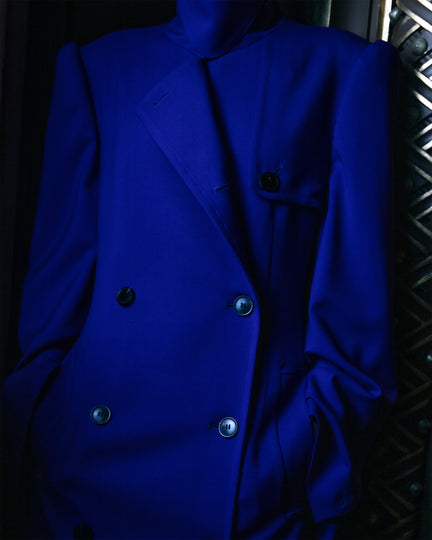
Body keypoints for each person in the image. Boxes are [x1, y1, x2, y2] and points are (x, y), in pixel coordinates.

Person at [1, 0, 401, 538]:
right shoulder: (98, 67)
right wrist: (47, 422)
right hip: (89, 470)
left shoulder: (344, 69)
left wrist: (298, 457)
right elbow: (53, 304)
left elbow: (357, 311)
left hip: (251, 482)